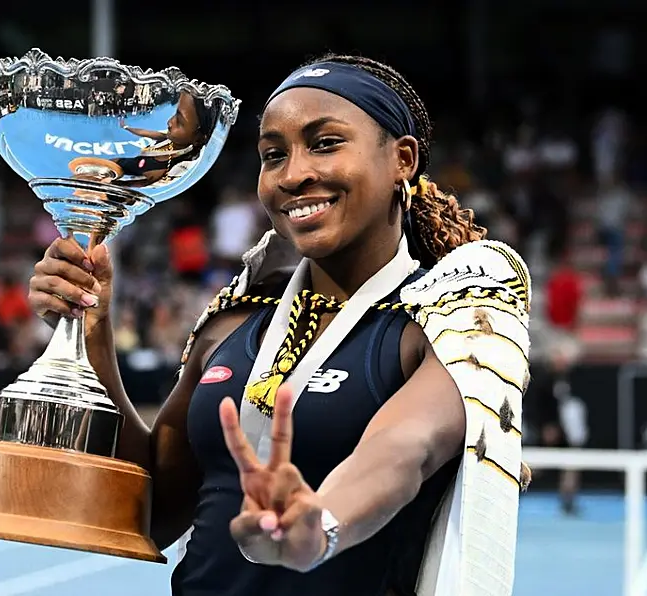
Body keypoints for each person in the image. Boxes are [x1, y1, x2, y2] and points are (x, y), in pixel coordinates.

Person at [28, 54, 532, 596]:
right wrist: (93, 329)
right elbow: (152, 516)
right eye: (274, 154)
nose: (294, 175)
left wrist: (320, 524)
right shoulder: (232, 324)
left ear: (402, 160)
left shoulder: (449, 324)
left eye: (326, 143)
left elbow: (405, 451)